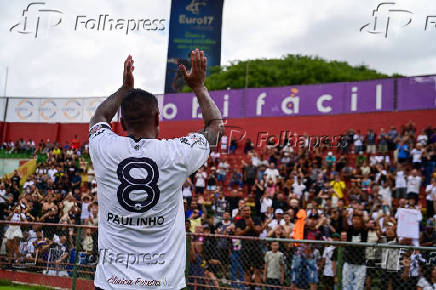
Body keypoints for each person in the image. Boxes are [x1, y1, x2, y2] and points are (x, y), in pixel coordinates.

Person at [89, 50, 224, 290]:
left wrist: (123, 89)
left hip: (111, 283)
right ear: (158, 119)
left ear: (121, 121)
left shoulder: (104, 147)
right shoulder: (176, 153)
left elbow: (99, 116)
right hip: (162, 284)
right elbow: (215, 126)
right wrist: (199, 87)